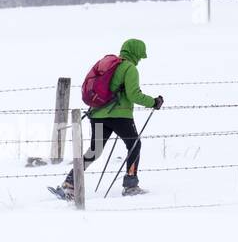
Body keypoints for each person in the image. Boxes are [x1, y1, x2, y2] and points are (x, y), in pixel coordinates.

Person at [60, 38, 162, 198]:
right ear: (135, 53)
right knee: (134, 145)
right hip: (120, 116)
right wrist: (154, 102)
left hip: (98, 115)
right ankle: (131, 185)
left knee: (95, 150)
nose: (141, 60)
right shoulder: (130, 69)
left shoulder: (112, 66)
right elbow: (134, 95)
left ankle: (70, 182)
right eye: (140, 56)